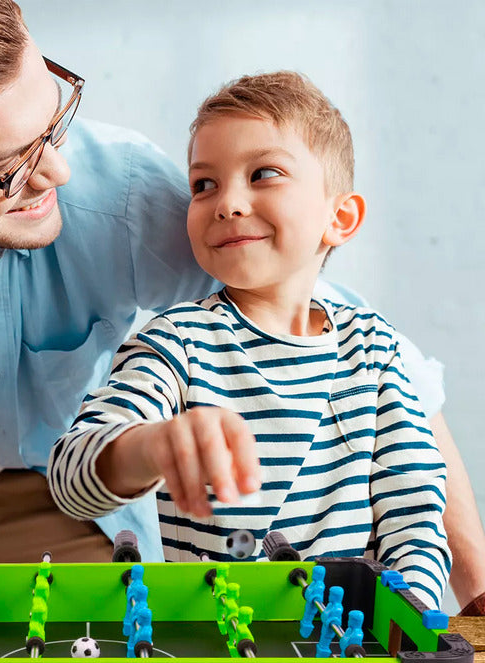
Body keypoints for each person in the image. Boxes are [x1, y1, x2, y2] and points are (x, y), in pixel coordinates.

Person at [0, 2, 481, 611]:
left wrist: (475, 585)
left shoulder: (122, 192)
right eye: (8, 166)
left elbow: (365, 355)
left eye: (54, 121)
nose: (58, 173)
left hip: (71, 497)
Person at [48, 72, 451, 609]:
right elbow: (70, 479)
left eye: (264, 174)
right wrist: (149, 445)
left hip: (349, 644)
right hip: (209, 637)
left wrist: (409, 621)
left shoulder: (376, 351)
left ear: (339, 217)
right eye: (203, 185)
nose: (227, 203)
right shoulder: (175, 342)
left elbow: (415, 518)